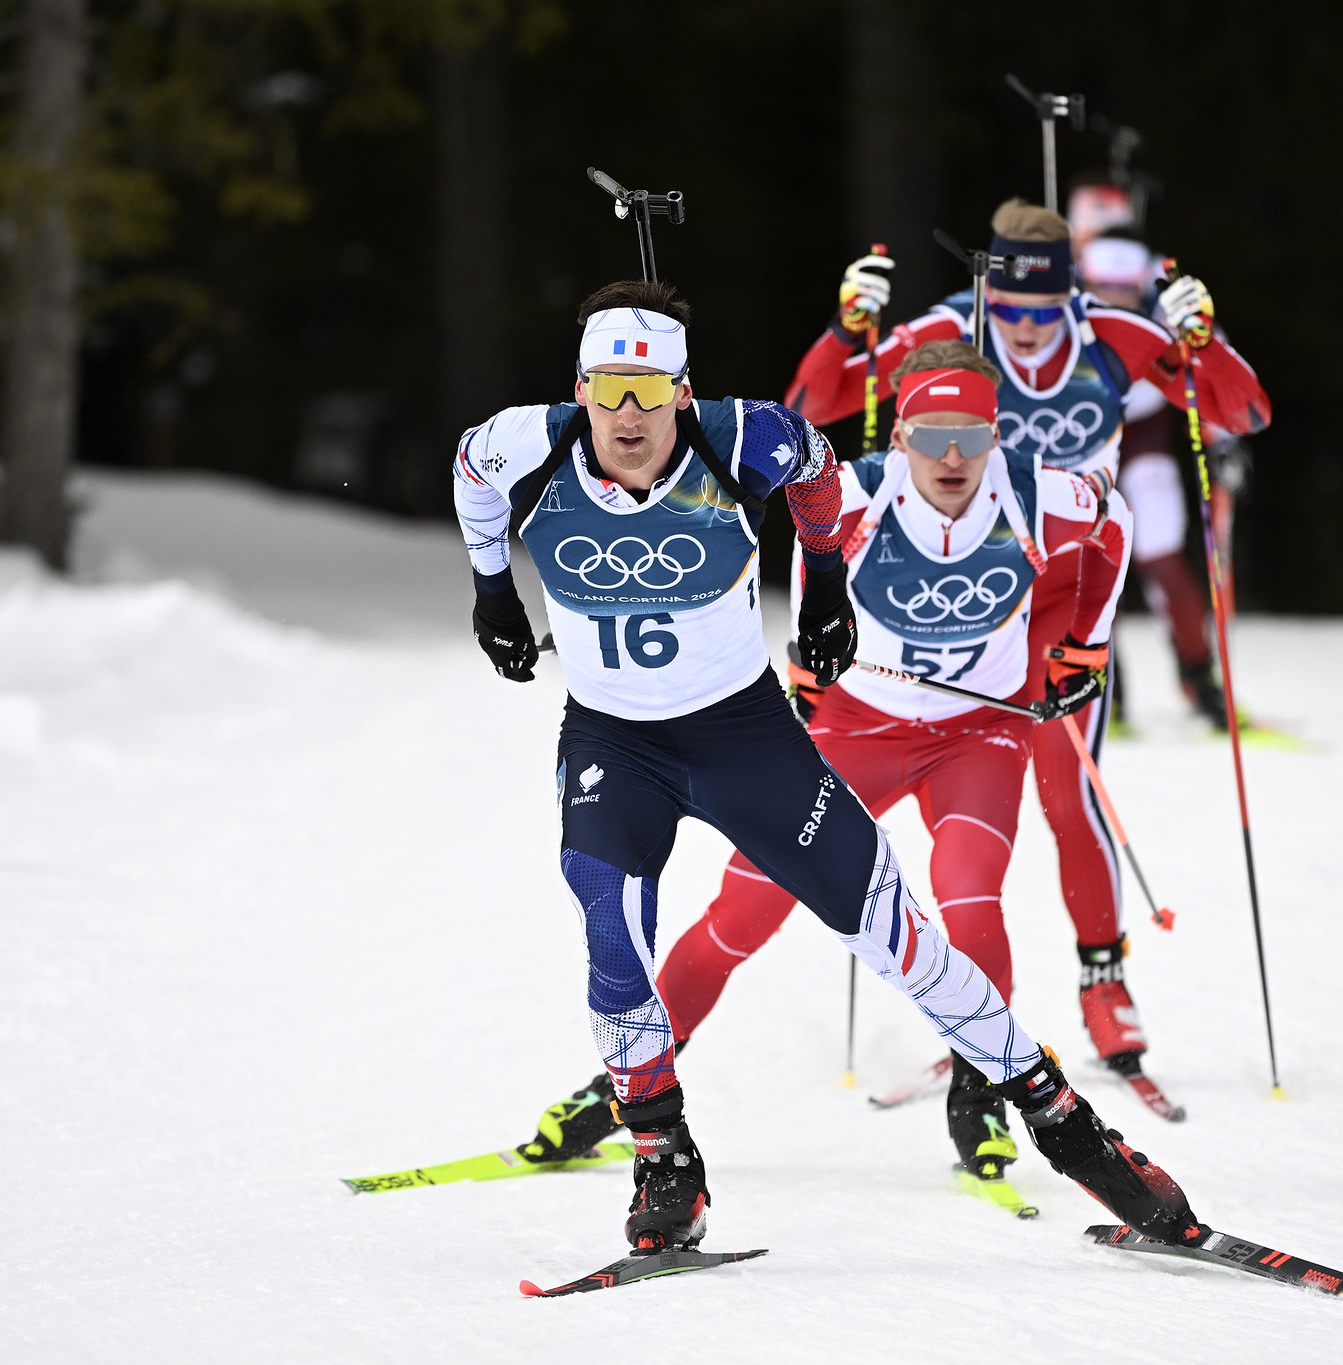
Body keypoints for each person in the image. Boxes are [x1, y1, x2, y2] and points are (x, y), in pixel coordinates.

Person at [455, 280, 1207, 1255]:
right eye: (608, 390)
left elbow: (813, 466)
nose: (627, 416)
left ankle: (1067, 1126)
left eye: (650, 392)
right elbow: (470, 472)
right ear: (580, 389)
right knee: (610, 932)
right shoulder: (524, 442)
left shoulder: (741, 438)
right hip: (613, 741)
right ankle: (663, 1156)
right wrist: (492, 590)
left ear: (684, 392)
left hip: (745, 739)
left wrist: (821, 587)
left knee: (903, 943)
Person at [785, 200, 1272, 1083]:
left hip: (1067, 589)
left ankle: (1104, 982)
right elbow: (812, 407)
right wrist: (846, 328)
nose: (1026, 327)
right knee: (961, 805)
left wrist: (1204, 340)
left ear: (1071, 294)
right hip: (975, 594)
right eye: (1009, 308)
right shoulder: (949, 336)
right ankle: (974, 1015)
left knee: (1066, 785)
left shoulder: (1114, 337)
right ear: (989, 293)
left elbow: (1242, 413)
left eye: (1044, 309)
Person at [1077, 233, 1229, 726]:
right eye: (1102, 287)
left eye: (1124, 289)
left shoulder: (1163, 316)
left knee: (1162, 557)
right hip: (1084, 449)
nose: (1113, 299)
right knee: (1089, 567)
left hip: (1145, 443)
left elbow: (1214, 368)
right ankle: (1103, 690)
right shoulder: (1067, 316)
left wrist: (1224, 444)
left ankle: (1201, 680)